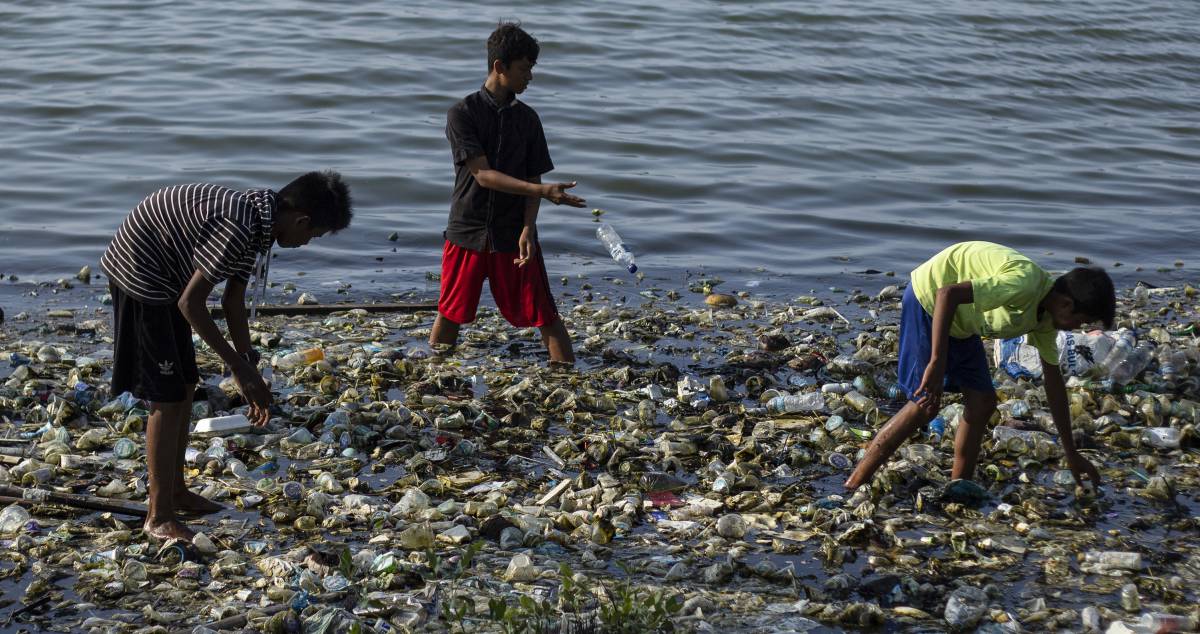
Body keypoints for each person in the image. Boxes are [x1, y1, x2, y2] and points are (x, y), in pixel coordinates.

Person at [100, 172, 353, 540]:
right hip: (143, 273)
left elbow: (233, 302)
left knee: (186, 384)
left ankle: (176, 491)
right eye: (311, 236)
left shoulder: (259, 221)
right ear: (302, 220)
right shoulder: (238, 226)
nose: (305, 243)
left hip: (169, 274)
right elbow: (191, 303)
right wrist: (237, 369)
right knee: (166, 397)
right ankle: (158, 516)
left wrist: (248, 362)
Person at [843, 241, 1115, 492]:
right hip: (929, 300)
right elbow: (946, 294)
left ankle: (958, 488)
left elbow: (1053, 383)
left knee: (983, 402)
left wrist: (1071, 451)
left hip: (963, 322)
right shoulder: (1024, 284)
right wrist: (937, 362)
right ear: (1067, 304)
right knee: (924, 404)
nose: (1078, 330)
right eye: (1081, 322)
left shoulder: (1045, 319)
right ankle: (853, 485)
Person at [430, 22, 585, 363]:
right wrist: (542, 190)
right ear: (499, 67)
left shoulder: (528, 120)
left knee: (545, 313)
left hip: (514, 232)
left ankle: (567, 381)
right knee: (451, 311)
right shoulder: (462, 113)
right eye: (524, 69)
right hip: (467, 230)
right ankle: (434, 377)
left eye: (530, 69)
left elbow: (534, 174)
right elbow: (483, 175)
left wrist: (529, 227)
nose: (529, 77)